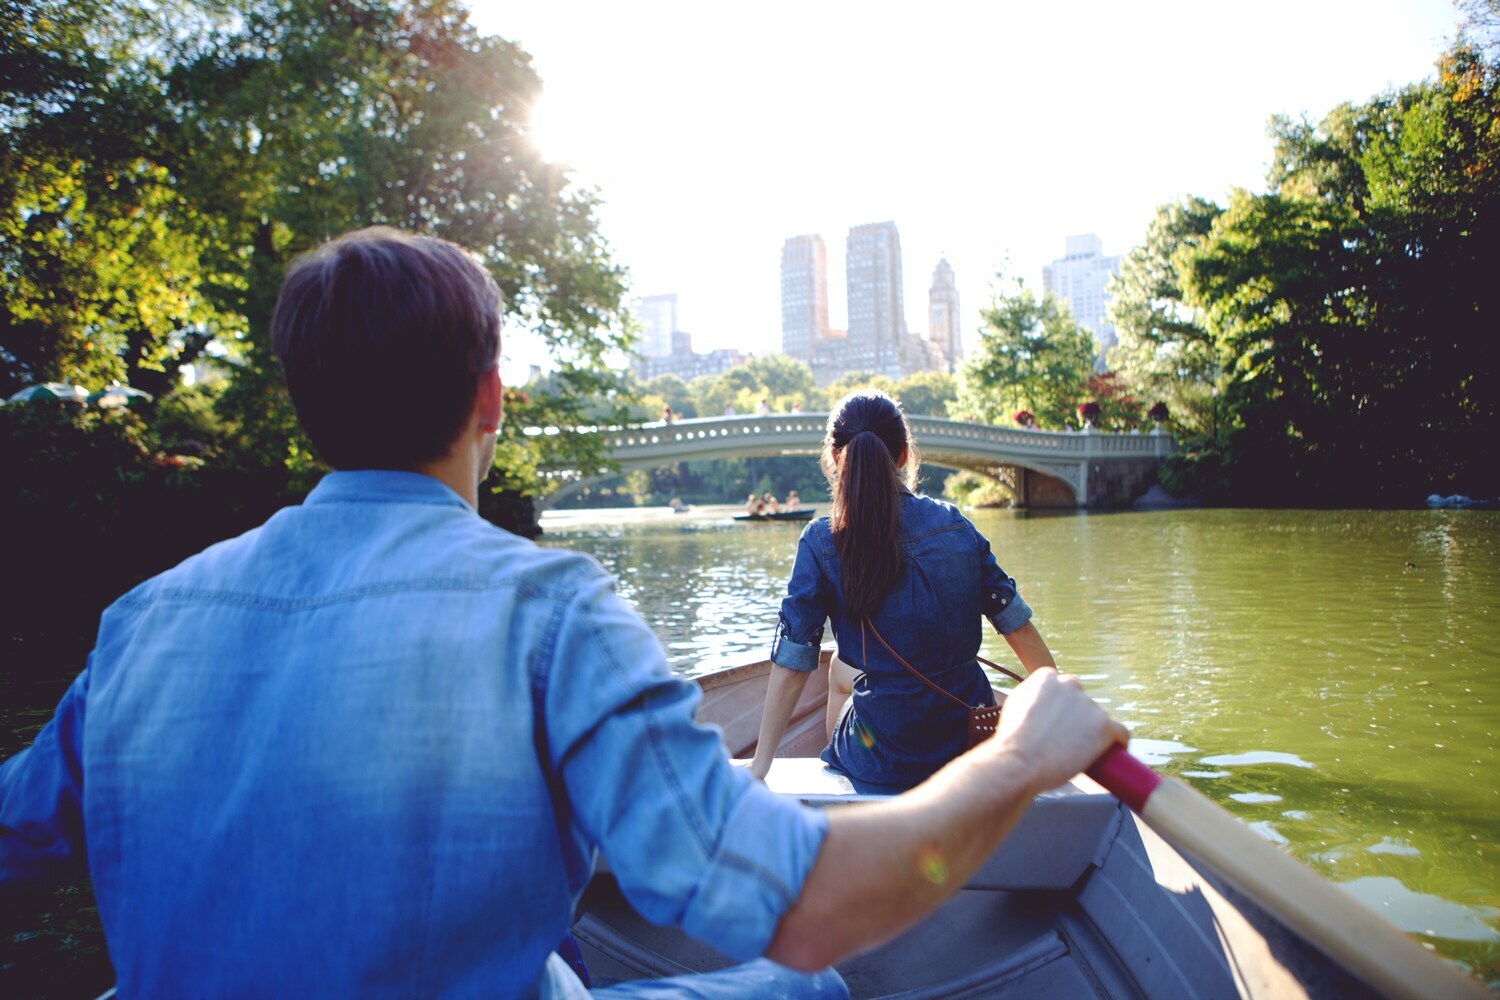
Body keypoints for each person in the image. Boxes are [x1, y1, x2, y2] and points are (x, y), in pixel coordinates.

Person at [0, 229, 1126, 997]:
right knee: (806, 982)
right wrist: (1019, 757)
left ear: (307, 411)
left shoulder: (140, 621)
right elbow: (806, 909)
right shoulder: (551, 613)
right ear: (490, 399)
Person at [750, 389, 1061, 793]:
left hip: (883, 761)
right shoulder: (955, 524)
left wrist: (760, 765)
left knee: (840, 672)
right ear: (903, 456)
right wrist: (1060, 716)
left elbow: (794, 663)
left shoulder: (822, 541)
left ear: (835, 459)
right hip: (969, 747)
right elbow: (1016, 625)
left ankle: (843, 775)